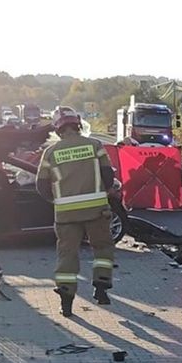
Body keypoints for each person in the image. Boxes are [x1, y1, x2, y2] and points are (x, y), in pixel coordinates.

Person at [36, 107, 116, 317]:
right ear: (77, 124)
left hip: (65, 215)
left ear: (58, 129)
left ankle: (66, 302)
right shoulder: (95, 145)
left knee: (67, 255)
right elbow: (108, 176)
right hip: (96, 210)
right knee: (102, 249)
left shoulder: (50, 153)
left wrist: (57, 200)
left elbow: (41, 186)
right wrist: (102, 193)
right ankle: (101, 289)